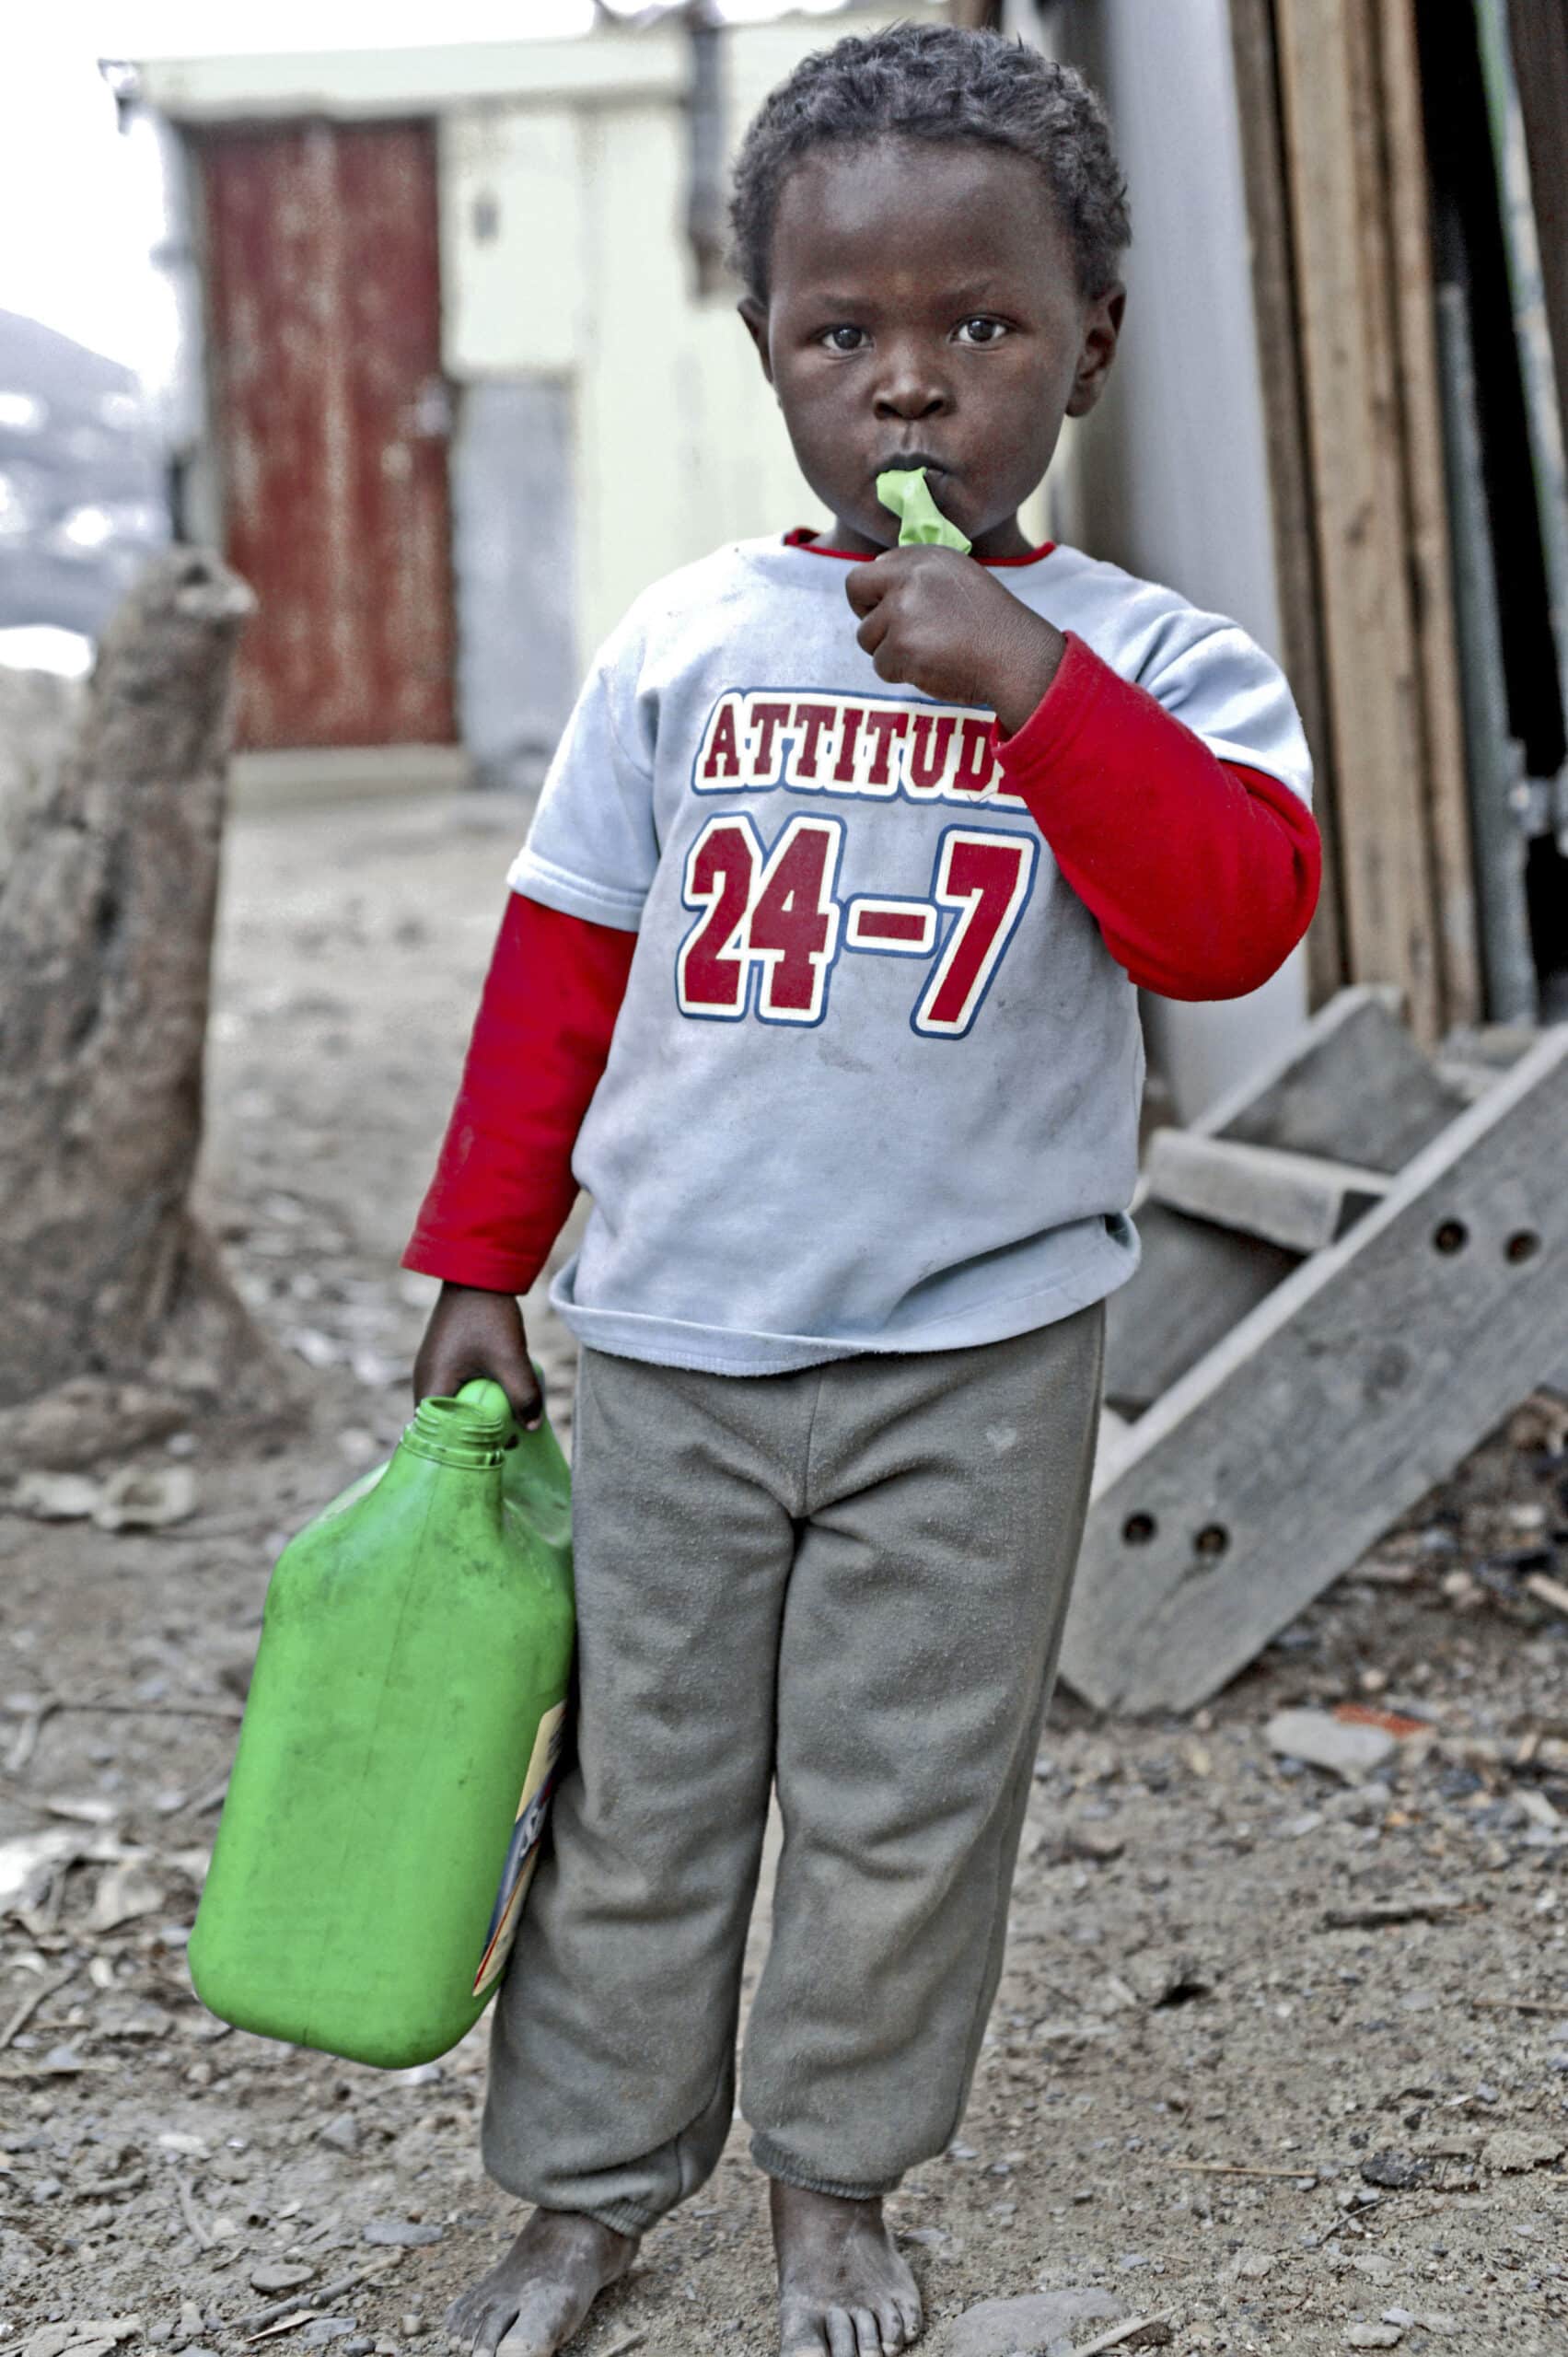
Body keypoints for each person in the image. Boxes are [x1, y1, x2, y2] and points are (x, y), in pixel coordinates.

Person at [406, 25, 1319, 2357]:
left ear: (1089, 344)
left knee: (909, 1812)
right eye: (846, 335)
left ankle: (835, 2187)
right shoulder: (686, 642)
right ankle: (587, 2195)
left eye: (979, 329)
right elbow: (560, 978)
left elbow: (1230, 918)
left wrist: (1032, 681)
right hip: (686, 1340)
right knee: (639, 1800)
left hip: (980, 1356)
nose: (910, 389)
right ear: (768, 352)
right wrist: (480, 1265)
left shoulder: (1161, 661)